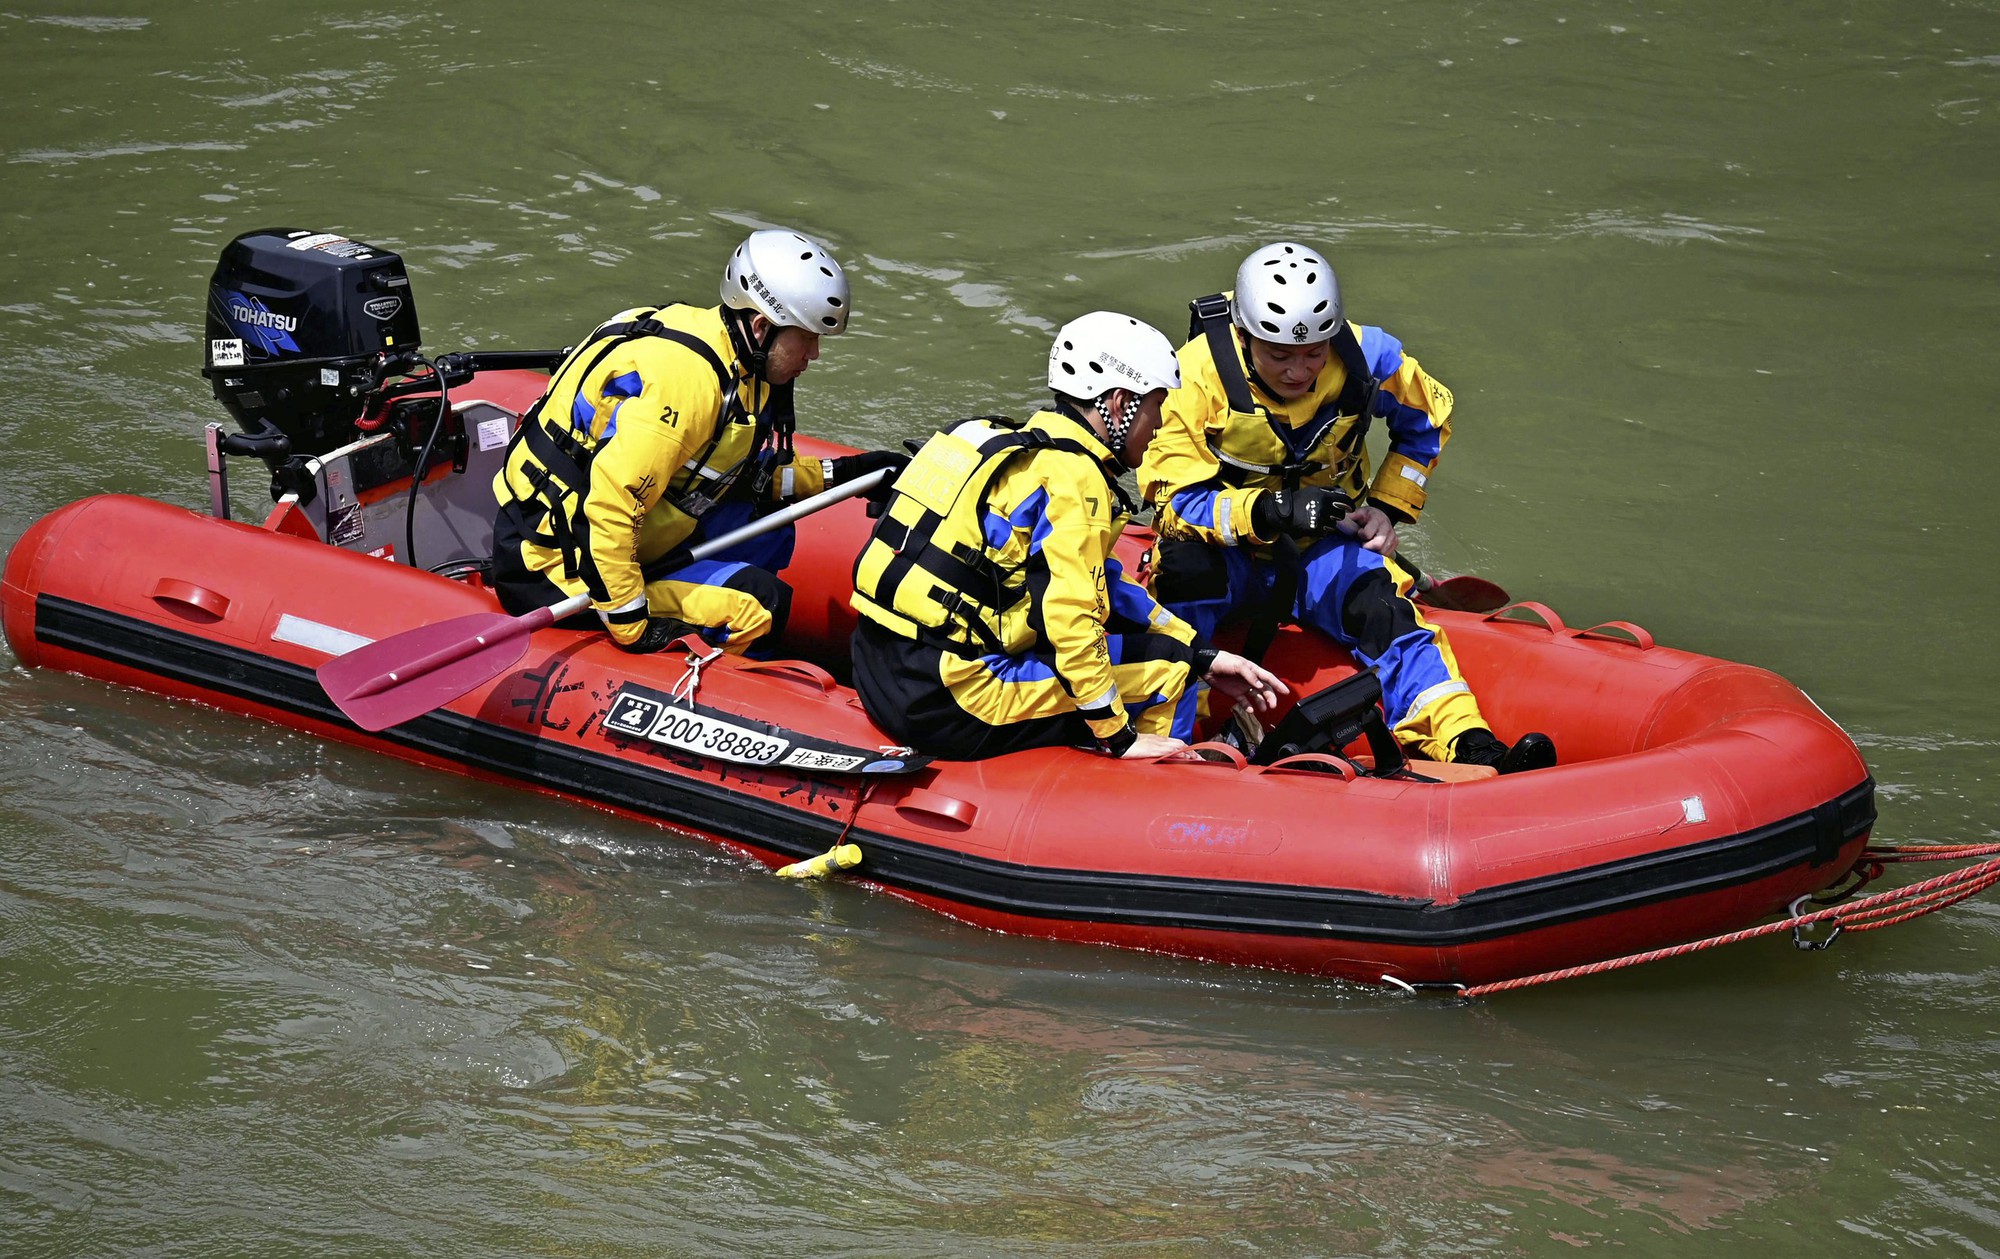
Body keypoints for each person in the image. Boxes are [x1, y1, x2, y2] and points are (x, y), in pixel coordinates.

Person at [1139, 242, 1555, 772]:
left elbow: (1428, 419)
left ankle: (1469, 743)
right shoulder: (1191, 379)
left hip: (1322, 545)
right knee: (1181, 574)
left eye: (1314, 352)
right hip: (1226, 555)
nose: (1299, 371)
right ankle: (1165, 748)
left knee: (1384, 610)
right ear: (1244, 336)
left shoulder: (1367, 358)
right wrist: (1268, 511)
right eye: (1280, 355)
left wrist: (1388, 506)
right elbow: (1174, 502)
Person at [849, 311, 1288, 761]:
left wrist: (1199, 652)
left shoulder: (988, 436)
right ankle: (1165, 794)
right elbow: (1072, 623)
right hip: (948, 700)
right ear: (1120, 404)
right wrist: (1120, 737)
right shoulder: (1075, 480)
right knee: (1168, 672)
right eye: (1157, 404)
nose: (1159, 425)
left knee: (1177, 656)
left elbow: (1104, 585)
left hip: (876, 664)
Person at [490, 228, 907, 654]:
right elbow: (610, 509)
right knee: (759, 604)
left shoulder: (734, 358)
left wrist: (854, 473)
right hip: (559, 566)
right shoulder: (686, 390)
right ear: (763, 327)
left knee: (771, 532)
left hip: (618, 530)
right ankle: (728, 681)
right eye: (807, 338)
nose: (814, 354)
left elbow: (741, 473)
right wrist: (632, 623)